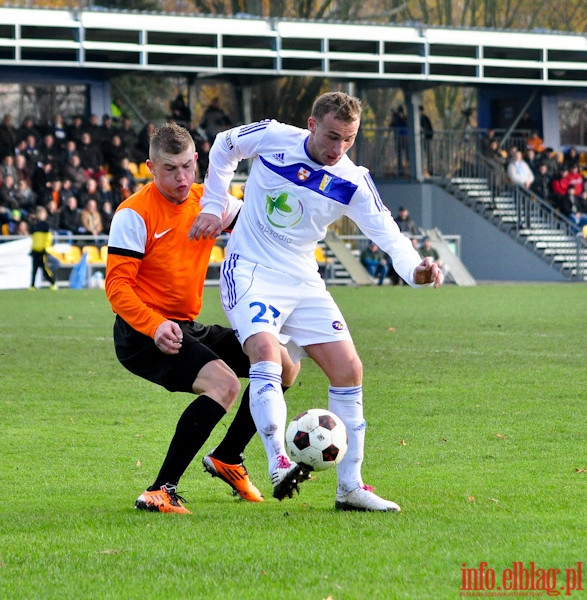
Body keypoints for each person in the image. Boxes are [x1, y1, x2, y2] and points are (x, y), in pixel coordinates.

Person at [190, 91, 443, 512]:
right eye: (331, 136)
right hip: (250, 268)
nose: (337, 148)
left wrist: (416, 270)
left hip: (303, 278)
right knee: (267, 354)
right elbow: (223, 146)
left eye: (348, 139)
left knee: (349, 369)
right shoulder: (273, 137)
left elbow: (389, 235)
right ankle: (278, 462)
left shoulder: (352, 180)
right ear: (311, 125)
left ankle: (350, 488)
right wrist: (214, 204)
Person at [104, 122, 300, 514]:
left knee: (281, 365)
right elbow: (117, 288)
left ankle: (228, 456)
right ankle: (160, 489)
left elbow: (265, 228)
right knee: (224, 385)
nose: (180, 178)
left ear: (197, 162)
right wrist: (154, 325)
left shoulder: (210, 202)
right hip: (143, 333)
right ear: (150, 168)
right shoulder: (134, 214)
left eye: (187, 167)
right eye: (169, 169)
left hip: (186, 326)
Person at [30, 205, 57, 290]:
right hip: (35, 250)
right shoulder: (34, 225)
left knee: (44, 269)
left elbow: (48, 237)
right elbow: (34, 238)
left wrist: (45, 248)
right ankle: (32, 286)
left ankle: (53, 283)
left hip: (42, 250)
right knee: (34, 270)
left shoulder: (45, 225)